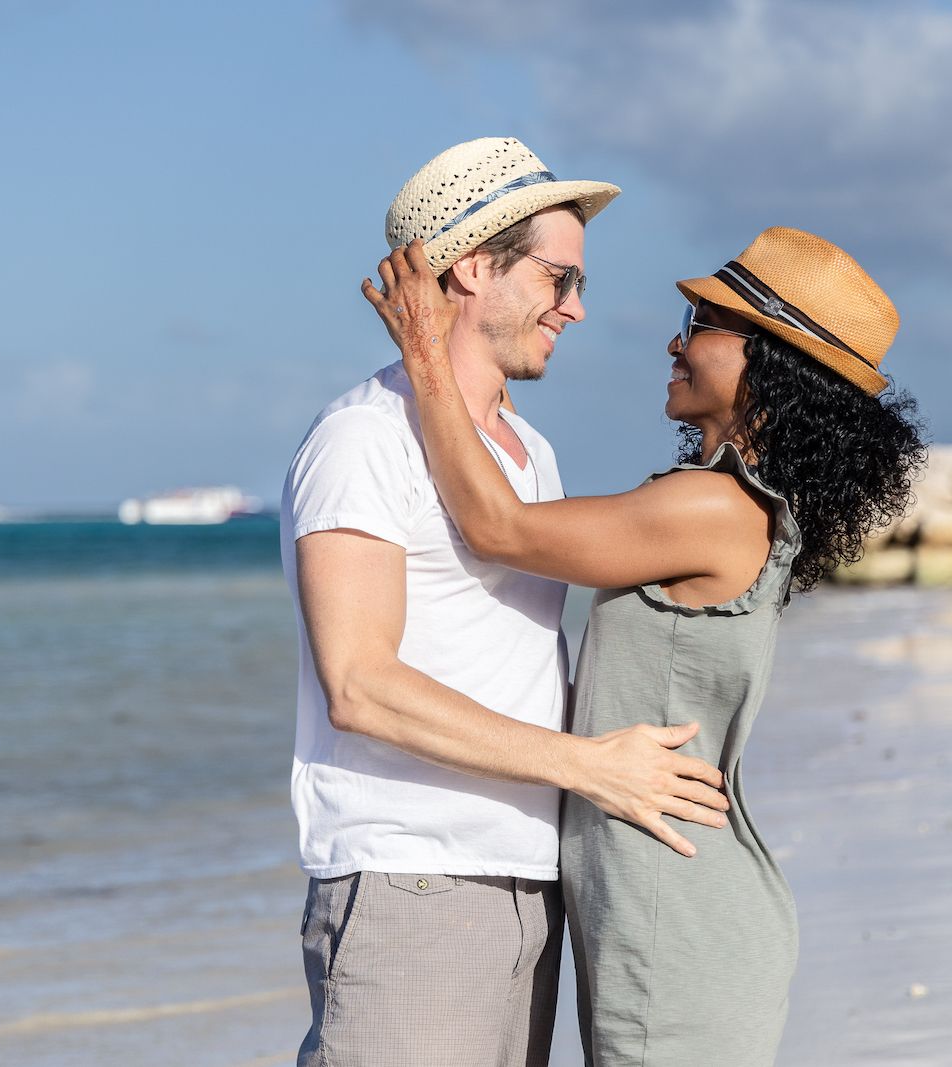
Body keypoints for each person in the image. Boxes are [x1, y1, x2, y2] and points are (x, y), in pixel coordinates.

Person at [365, 227, 926, 1066]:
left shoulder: (714, 509)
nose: (677, 336)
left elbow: (497, 525)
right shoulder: (731, 506)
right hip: (666, 896)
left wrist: (425, 354)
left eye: (704, 320)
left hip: (676, 907)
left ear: (768, 360)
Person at [280, 137, 733, 1067]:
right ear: (473, 268)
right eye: (557, 278)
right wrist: (589, 765)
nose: (575, 308)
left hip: (529, 882)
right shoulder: (363, 439)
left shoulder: (531, 455)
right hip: (416, 876)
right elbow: (361, 684)